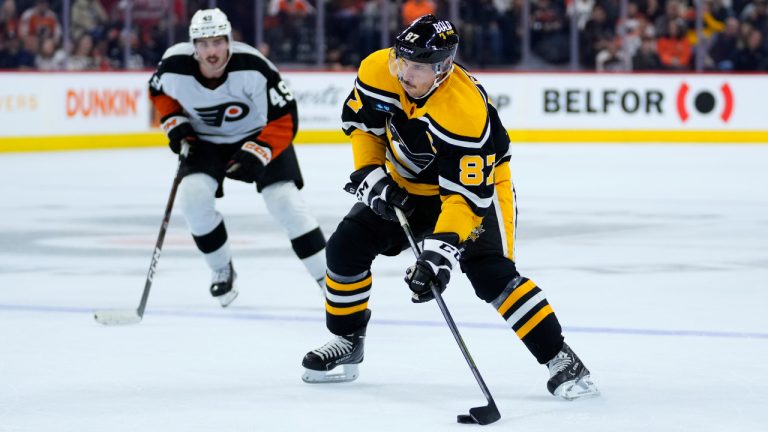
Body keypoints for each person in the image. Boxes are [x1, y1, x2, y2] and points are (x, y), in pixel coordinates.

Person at [300, 15, 599, 401]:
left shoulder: (464, 110)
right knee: (345, 248)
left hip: (474, 191)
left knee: (490, 273)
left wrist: (439, 255)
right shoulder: (379, 68)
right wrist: (370, 174)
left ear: (442, 68)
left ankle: (561, 358)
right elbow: (364, 126)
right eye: (402, 60)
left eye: (418, 66)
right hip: (406, 184)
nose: (405, 72)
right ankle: (347, 339)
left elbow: (463, 198)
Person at [148, 8, 327, 307]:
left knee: (284, 201)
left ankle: (329, 280)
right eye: (204, 44)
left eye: (218, 42)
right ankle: (221, 270)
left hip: (258, 134)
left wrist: (257, 153)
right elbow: (158, 93)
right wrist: (176, 125)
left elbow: (285, 117)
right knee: (193, 199)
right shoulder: (173, 66)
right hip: (204, 141)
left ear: (229, 40)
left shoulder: (254, 67)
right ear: (194, 46)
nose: (212, 51)